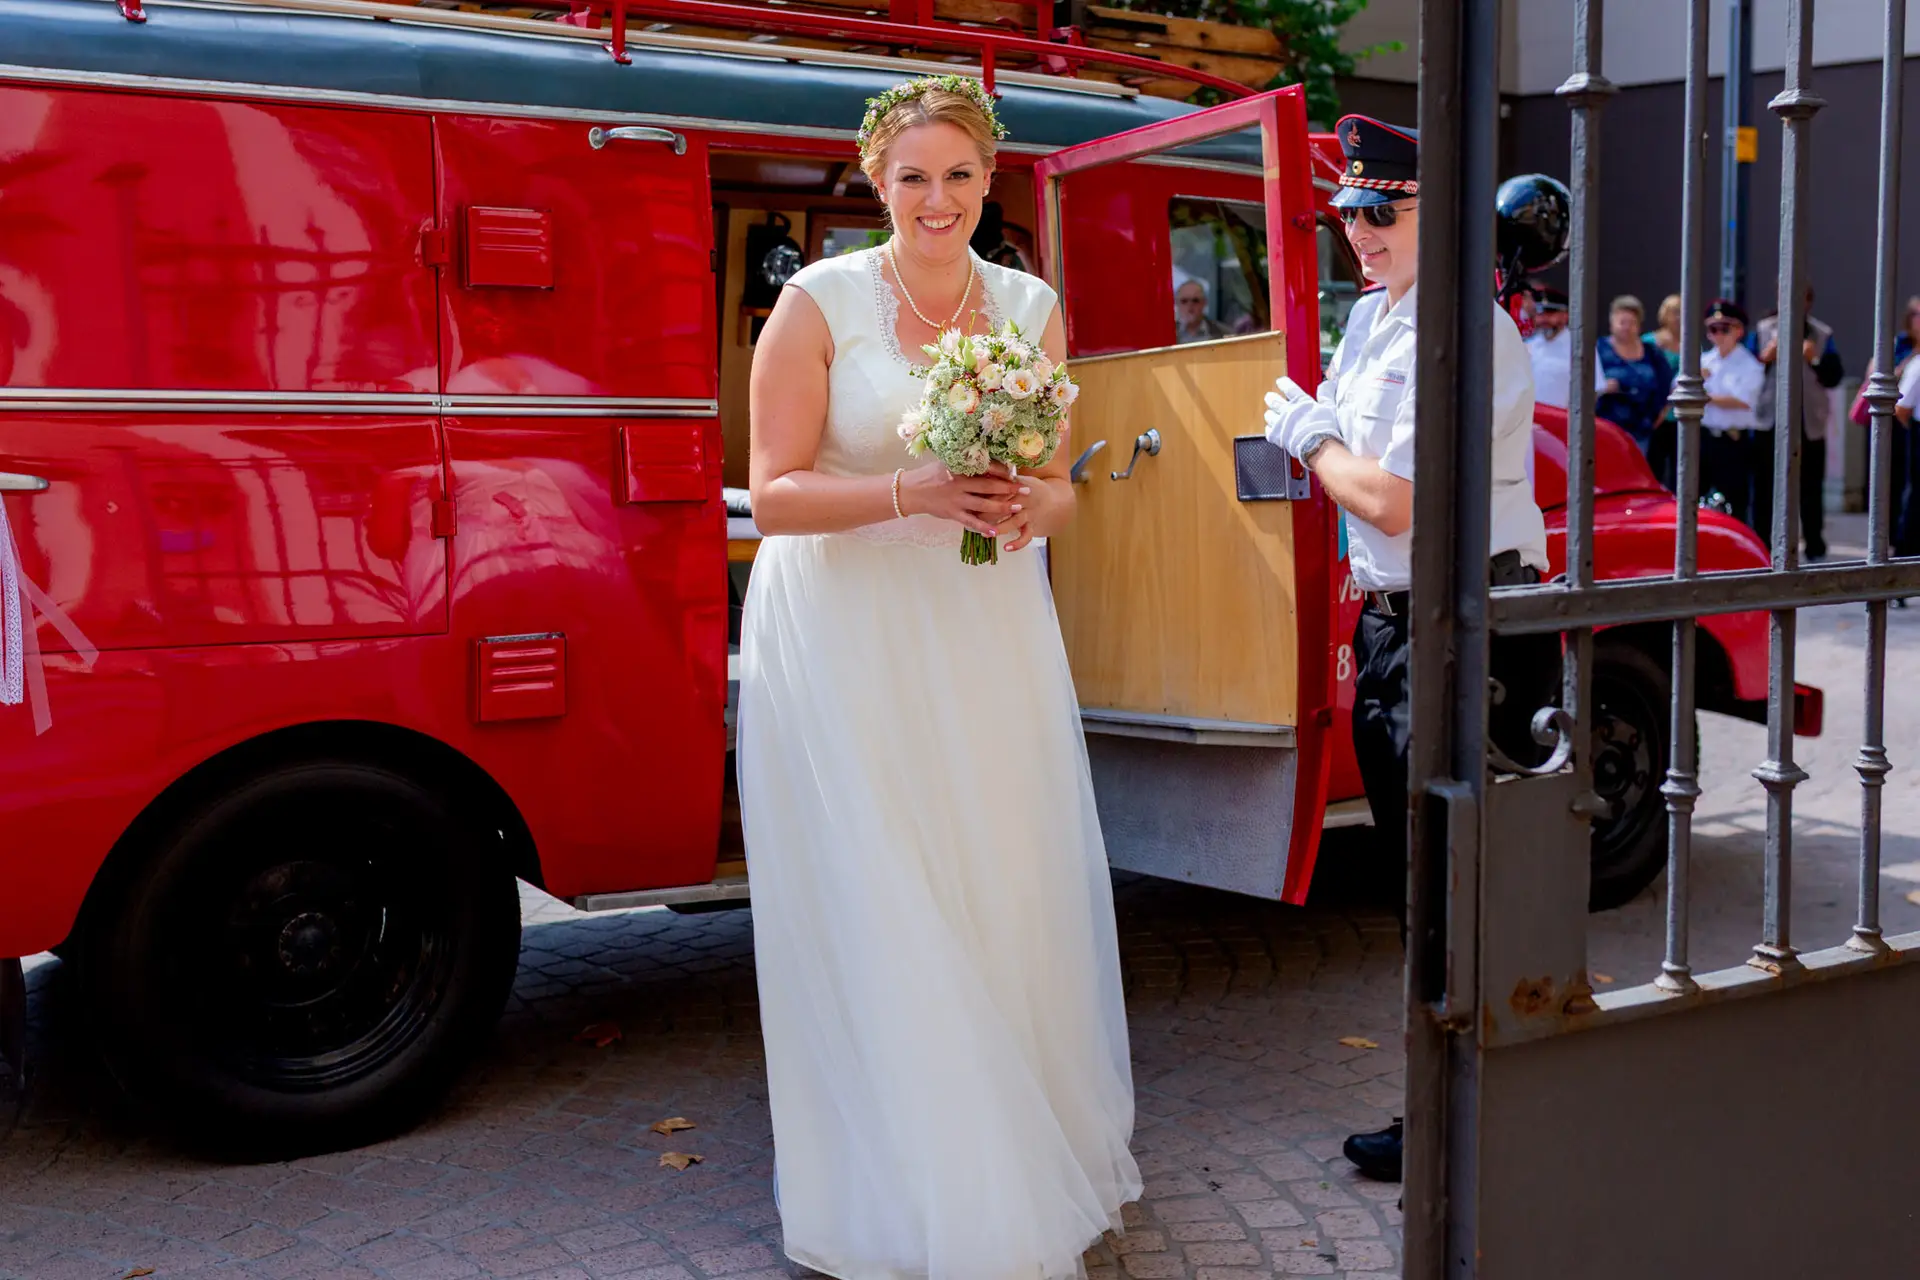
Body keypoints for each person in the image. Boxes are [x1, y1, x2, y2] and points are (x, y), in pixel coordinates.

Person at [738, 76, 1141, 1276]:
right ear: (878, 182)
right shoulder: (813, 304)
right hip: (850, 632)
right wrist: (911, 489)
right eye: (914, 175)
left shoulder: (1028, 304)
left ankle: (1024, 1149)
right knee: (881, 889)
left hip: (982, 625)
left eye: (959, 174)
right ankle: (904, 1185)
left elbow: (1065, 482)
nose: (937, 197)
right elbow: (773, 492)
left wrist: (1029, 506)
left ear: (988, 181)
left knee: (999, 882)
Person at [1262, 114, 1557, 1185]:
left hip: (1464, 631)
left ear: (1444, 217)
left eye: (1385, 212)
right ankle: (1439, 1105)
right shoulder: (1380, 317)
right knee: (1420, 888)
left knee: (1465, 888)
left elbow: (1388, 499)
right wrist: (1322, 437)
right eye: (1352, 213)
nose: (1363, 233)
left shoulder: (1465, 332)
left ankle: (1491, 1113)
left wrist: (1314, 439)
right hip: (1399, 627)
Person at [1754, 286, 1842, 559]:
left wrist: (1814, 357)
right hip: (1770, 420)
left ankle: (1814, 543)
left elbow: (1834, 376)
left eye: (1798, 297)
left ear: (1808, 302)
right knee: (1765, 485)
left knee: (1811, 486)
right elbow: (1743, 370)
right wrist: (1765, 358)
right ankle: (1762, 544)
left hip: (1809, 423)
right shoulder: (1762, 331)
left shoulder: (1821, 333)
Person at [1701, 298, 1768, 535]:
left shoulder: (1749, 365)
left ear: (1738, 331)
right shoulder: (1703, 361)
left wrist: (1701, 392)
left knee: (1735, 499)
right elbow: (1675, 389)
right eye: (1712, 329)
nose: (1718, 334)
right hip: (1705, 436)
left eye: (1724, 329)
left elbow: (1743, 401)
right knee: (1698, 498)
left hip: (1733, 441)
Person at [1596, 294, 1677, 482]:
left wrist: (1659, 415)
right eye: (1621, 322)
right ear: (1611, 323)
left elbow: (1666, 385)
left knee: (1634, 478)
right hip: (1606, 431)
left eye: (1631, 322)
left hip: (1641, 431)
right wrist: (1601, 388)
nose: (1626, 327)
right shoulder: (1599, 349)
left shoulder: (1652, 352)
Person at [1526, 286, 1573, 410]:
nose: (1543, 319)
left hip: (1562, 421)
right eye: (1540, 314)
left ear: (1564, 316)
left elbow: (1594, 390)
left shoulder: (1578, 347)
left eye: (1550, 314)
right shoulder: (1528, 346)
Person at [1174, 274, 1230, 343]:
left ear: (1204, 303)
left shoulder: (1224, 334)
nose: (1190, 305)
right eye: (1184, 301)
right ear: (1176, 303)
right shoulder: (1165, 333)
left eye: (1195, 300)